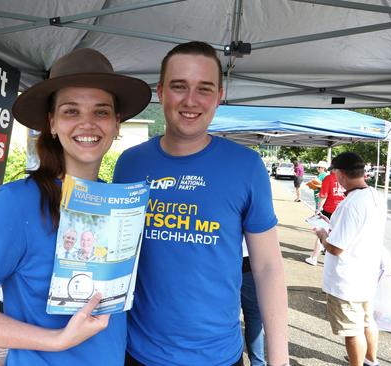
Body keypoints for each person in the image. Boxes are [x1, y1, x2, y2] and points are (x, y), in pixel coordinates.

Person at [0, 48, 151, 365]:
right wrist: (57, 340)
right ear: (51, 123)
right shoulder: (18, 203)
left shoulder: (116, 203)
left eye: (101, 112)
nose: (87, 123)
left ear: (117, 123)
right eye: (71, 111)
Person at [113, 41, 289, 366]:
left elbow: (267, 268)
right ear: (161, 91)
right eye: (179, 87)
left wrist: (278, 359)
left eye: (204, 89)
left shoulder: (246, 167)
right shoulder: (129, 165)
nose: (190, 100)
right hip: (137, 354)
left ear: (219, 96)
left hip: (218, 357)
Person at [314, 152, 386, 366]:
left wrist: (323, 235)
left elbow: (336, 248)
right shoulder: (375, 195)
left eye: (335, 173)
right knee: (367, 321)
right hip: (366, 273)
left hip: (347, 279)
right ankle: (371, 361)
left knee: (352, 330)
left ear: (342, 174)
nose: (335, 177)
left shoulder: (350, 204)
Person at [305, 163, 346, 266]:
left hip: (329, 210)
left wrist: (318, 209)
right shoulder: (345, 178)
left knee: (322, 233)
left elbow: (323, 196)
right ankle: (334, 259)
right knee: (338, 235)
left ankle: (314, 258)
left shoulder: (329, 178)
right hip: (341, 210)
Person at [241, 239, 266, 366]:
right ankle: (258, 363)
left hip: (224, 258)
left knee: (228, 317)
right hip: (251, 258)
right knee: (254, 318)